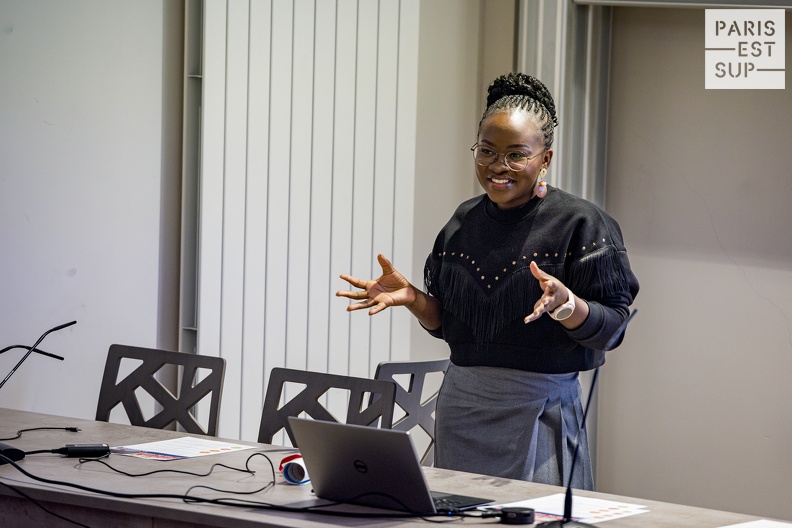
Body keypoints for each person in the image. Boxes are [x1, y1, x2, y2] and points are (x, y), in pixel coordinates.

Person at [336, 72, 638, 490]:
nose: (498, 166)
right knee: (453, 512)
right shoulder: (462, 223)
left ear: (545, 159)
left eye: (517, 155)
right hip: (461, 410)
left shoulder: (581, 223)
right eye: (487, 151)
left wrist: (568, 305)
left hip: (539, 413)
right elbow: (451, 327)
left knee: (535, 515)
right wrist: (414, 299)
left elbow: (613, 328)